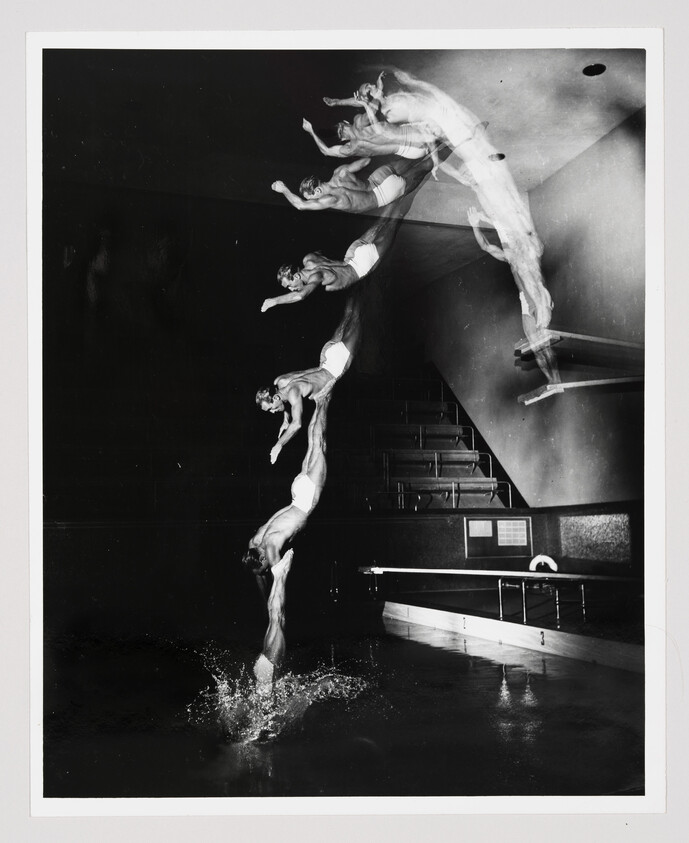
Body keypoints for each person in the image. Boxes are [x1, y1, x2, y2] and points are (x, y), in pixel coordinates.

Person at [242, 394, 331, 688]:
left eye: (265, 567)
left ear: (263, 560)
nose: (267, 568)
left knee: (319, 444)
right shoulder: (256, 541)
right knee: (313, 446)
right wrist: (263, 595)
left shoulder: (269, 550)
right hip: (296, 494)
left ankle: (324, 398)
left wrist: (279, 574)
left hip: (306, 501)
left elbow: (277, 591)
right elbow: (259, 574)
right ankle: (321, 400)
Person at [257, 291, 362, 463]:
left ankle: (364, 285)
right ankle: (353, 286)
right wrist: (285, 417)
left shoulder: (293, 393)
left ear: (275, 398)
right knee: (348, 315)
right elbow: (284, 400)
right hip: (325, 356)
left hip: (336, 366)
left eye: (271, 409)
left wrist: (278, 445)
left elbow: (297, 424)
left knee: (357, 319)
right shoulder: (280, 381)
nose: (273, 411)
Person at [261, 205, 404, 311]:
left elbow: (300, 296)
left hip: (362, 265)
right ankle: (399, 192)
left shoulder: (316, 276)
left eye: (290, 285)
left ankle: (409, 190)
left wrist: (274, 301)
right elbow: (322, 251)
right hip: (351, 253)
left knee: (394, 222)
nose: (292, 289)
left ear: (297, 275)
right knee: (381, 221)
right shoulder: (308, 259)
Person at [271, 149, 434, 214]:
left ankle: (447, 148)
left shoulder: (329, 199)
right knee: (420, 153)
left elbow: (300, 205)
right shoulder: (339, 172)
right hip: (377, 176)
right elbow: (365, 161)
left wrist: (284, 189)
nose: (313, 201)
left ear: (317, 191)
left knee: (427, 165)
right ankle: (443, 135)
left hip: (383, 194)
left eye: (311, 197)